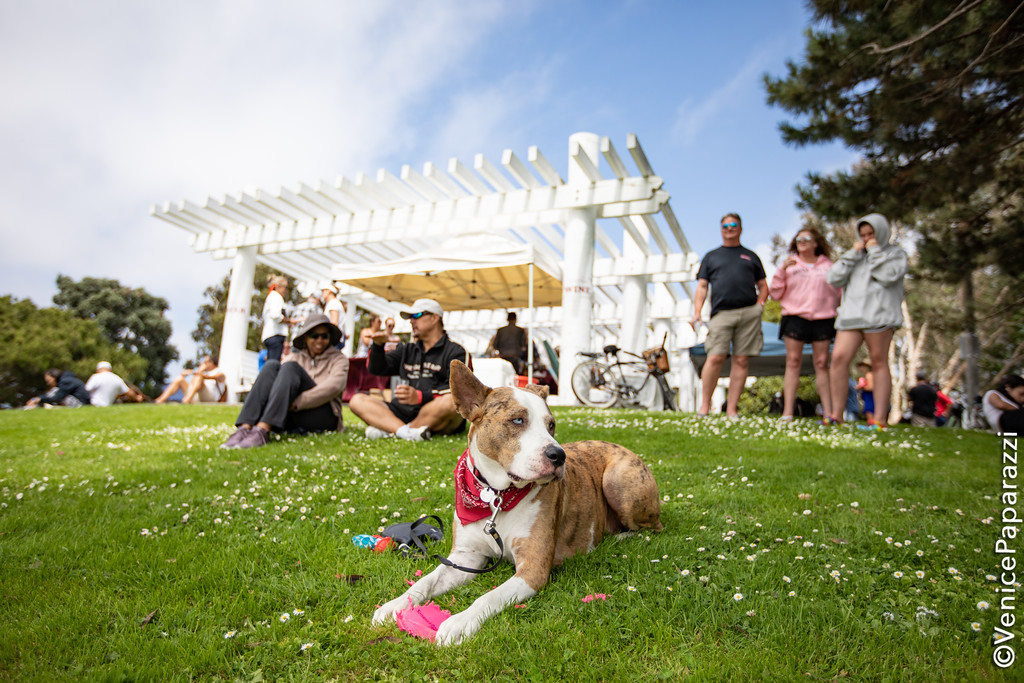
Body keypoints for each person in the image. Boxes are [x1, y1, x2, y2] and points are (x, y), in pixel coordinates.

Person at [826, 214, 908, 429]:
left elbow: (888, 276)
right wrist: (853, 253)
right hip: (851, 316)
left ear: (881, 232)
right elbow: (833, 277)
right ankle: (836, 415)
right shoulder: (855, 255)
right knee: (838, 359)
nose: (866, 238)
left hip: (879, 316)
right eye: (862, 235)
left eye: (870, 234)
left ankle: (880, 419)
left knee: (878, 362)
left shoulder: (895, 254)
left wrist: (874, 250)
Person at [221, 313, 349, 449]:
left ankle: (263, 430)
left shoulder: (338, 359)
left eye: (324, 336)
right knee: (271, 366)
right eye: (314, 335)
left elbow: (335, 386)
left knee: (290, 367)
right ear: (305, 337)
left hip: (323, 414)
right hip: (293, 415)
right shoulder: (295, 357)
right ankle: (244, 428)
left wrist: (295, 403)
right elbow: (279, 383)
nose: (319, 340)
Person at [350, 298, 469, 441]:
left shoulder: (456, 352)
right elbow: (376, 369)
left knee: (451, 401)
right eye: (410, 318)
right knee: (357, 400)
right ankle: (407, 432)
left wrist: (420, 396)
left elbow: (461, 390)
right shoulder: (407, 350)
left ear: (434, 318)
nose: (411, 321)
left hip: (433, 411)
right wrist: (377, 346)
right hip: (402, 410)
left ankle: (392, 429)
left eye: (416, 316)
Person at [689, 213, 768, 417]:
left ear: (740, 228)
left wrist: (760, 305)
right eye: (725, 225)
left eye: (733, 225)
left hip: (749, 312)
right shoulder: (711, 256)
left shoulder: (751, 256)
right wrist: (697, 312)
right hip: (721, 314)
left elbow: (763, 285)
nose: (729, 228)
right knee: (715, 357)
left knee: (741, 360)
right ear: (721, 229)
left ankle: (732, 409)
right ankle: (705, 407)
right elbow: (702, 286)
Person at [769, 226, 841, 422]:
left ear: (816, 242)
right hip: (794, 317)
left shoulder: (829, 266)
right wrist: (782, 270)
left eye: (807, 238)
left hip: (823, 318)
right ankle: (788, 412)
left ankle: (829, 412)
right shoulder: (790, 265)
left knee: (821, 364)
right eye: (799, 239)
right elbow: (775, 293)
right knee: (793, 362)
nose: (802, 241)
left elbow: (839, 292)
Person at [155, 355, 226, 404]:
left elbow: (209, 377)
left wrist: (196, 372)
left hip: (210, 398)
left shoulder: (219, 372)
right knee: (179, 379)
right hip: (198, 396)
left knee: (198, 378)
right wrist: (194, 373)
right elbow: (193, 384)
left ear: (211, 363)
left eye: (205, 362)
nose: (203, 364)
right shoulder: (202, 373)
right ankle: (160, 400)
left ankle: (187, 400)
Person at [261, 275, 293, 362]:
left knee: (271, 362)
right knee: (273, 364)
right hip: (275, 335)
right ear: (278, 286)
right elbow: (276, 315)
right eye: (285, 287)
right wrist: (289, 321)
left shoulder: (272, 296)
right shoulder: (276, 296)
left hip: (270, 335)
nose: (286, 291)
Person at [25, 369, 91, 408]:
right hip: (81, 402)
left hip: (81, 404)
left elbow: (56, 398)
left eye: (48, 381)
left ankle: (33, 405)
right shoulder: (67, 380)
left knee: (54, 391)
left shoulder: (66, 382)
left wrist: (40, 400)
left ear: (54, 377)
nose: (48, 384)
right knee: (54, 391)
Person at [320, 283, 347, 349]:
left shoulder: (333, 303)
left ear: (329, 291)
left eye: (323, 291)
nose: (322, 294)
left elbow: (334, 323)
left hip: (333, 341)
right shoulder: (334, 303)